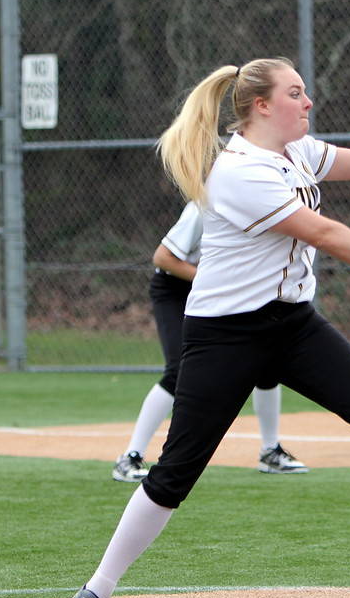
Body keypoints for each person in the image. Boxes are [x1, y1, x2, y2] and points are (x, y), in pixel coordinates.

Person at [50, 56, 350, 598]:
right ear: (261, 106)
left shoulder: (298, 151)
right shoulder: (238, 171)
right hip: (223, 337)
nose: (307, 102)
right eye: (295, 93)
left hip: (293, 327)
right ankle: (94, 593)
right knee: (175, 473)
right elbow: (323, 233)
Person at [111, 202, 308, 481]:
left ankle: (270, 452)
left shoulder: (262, 201)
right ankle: (129, 458)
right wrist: (210, 280)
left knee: (267, 363)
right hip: (176, 289)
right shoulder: (205, 205)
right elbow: (163, 258)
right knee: (179, 370)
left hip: (223, 290)